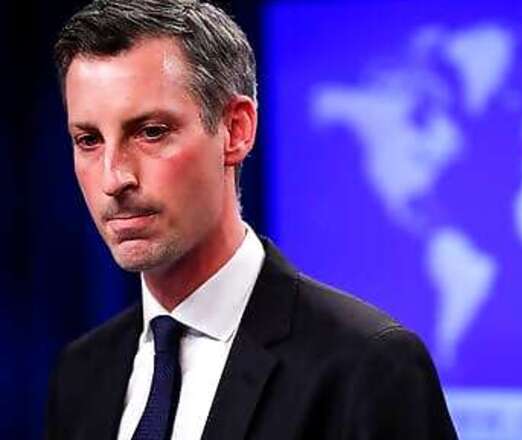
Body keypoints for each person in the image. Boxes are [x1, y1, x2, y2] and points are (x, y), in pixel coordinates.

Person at [45, 1, 458, 439]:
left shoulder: (369, 367)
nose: (113, 178)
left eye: (151, 132)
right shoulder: (80, 373)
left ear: (236, 130)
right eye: (88, 140)